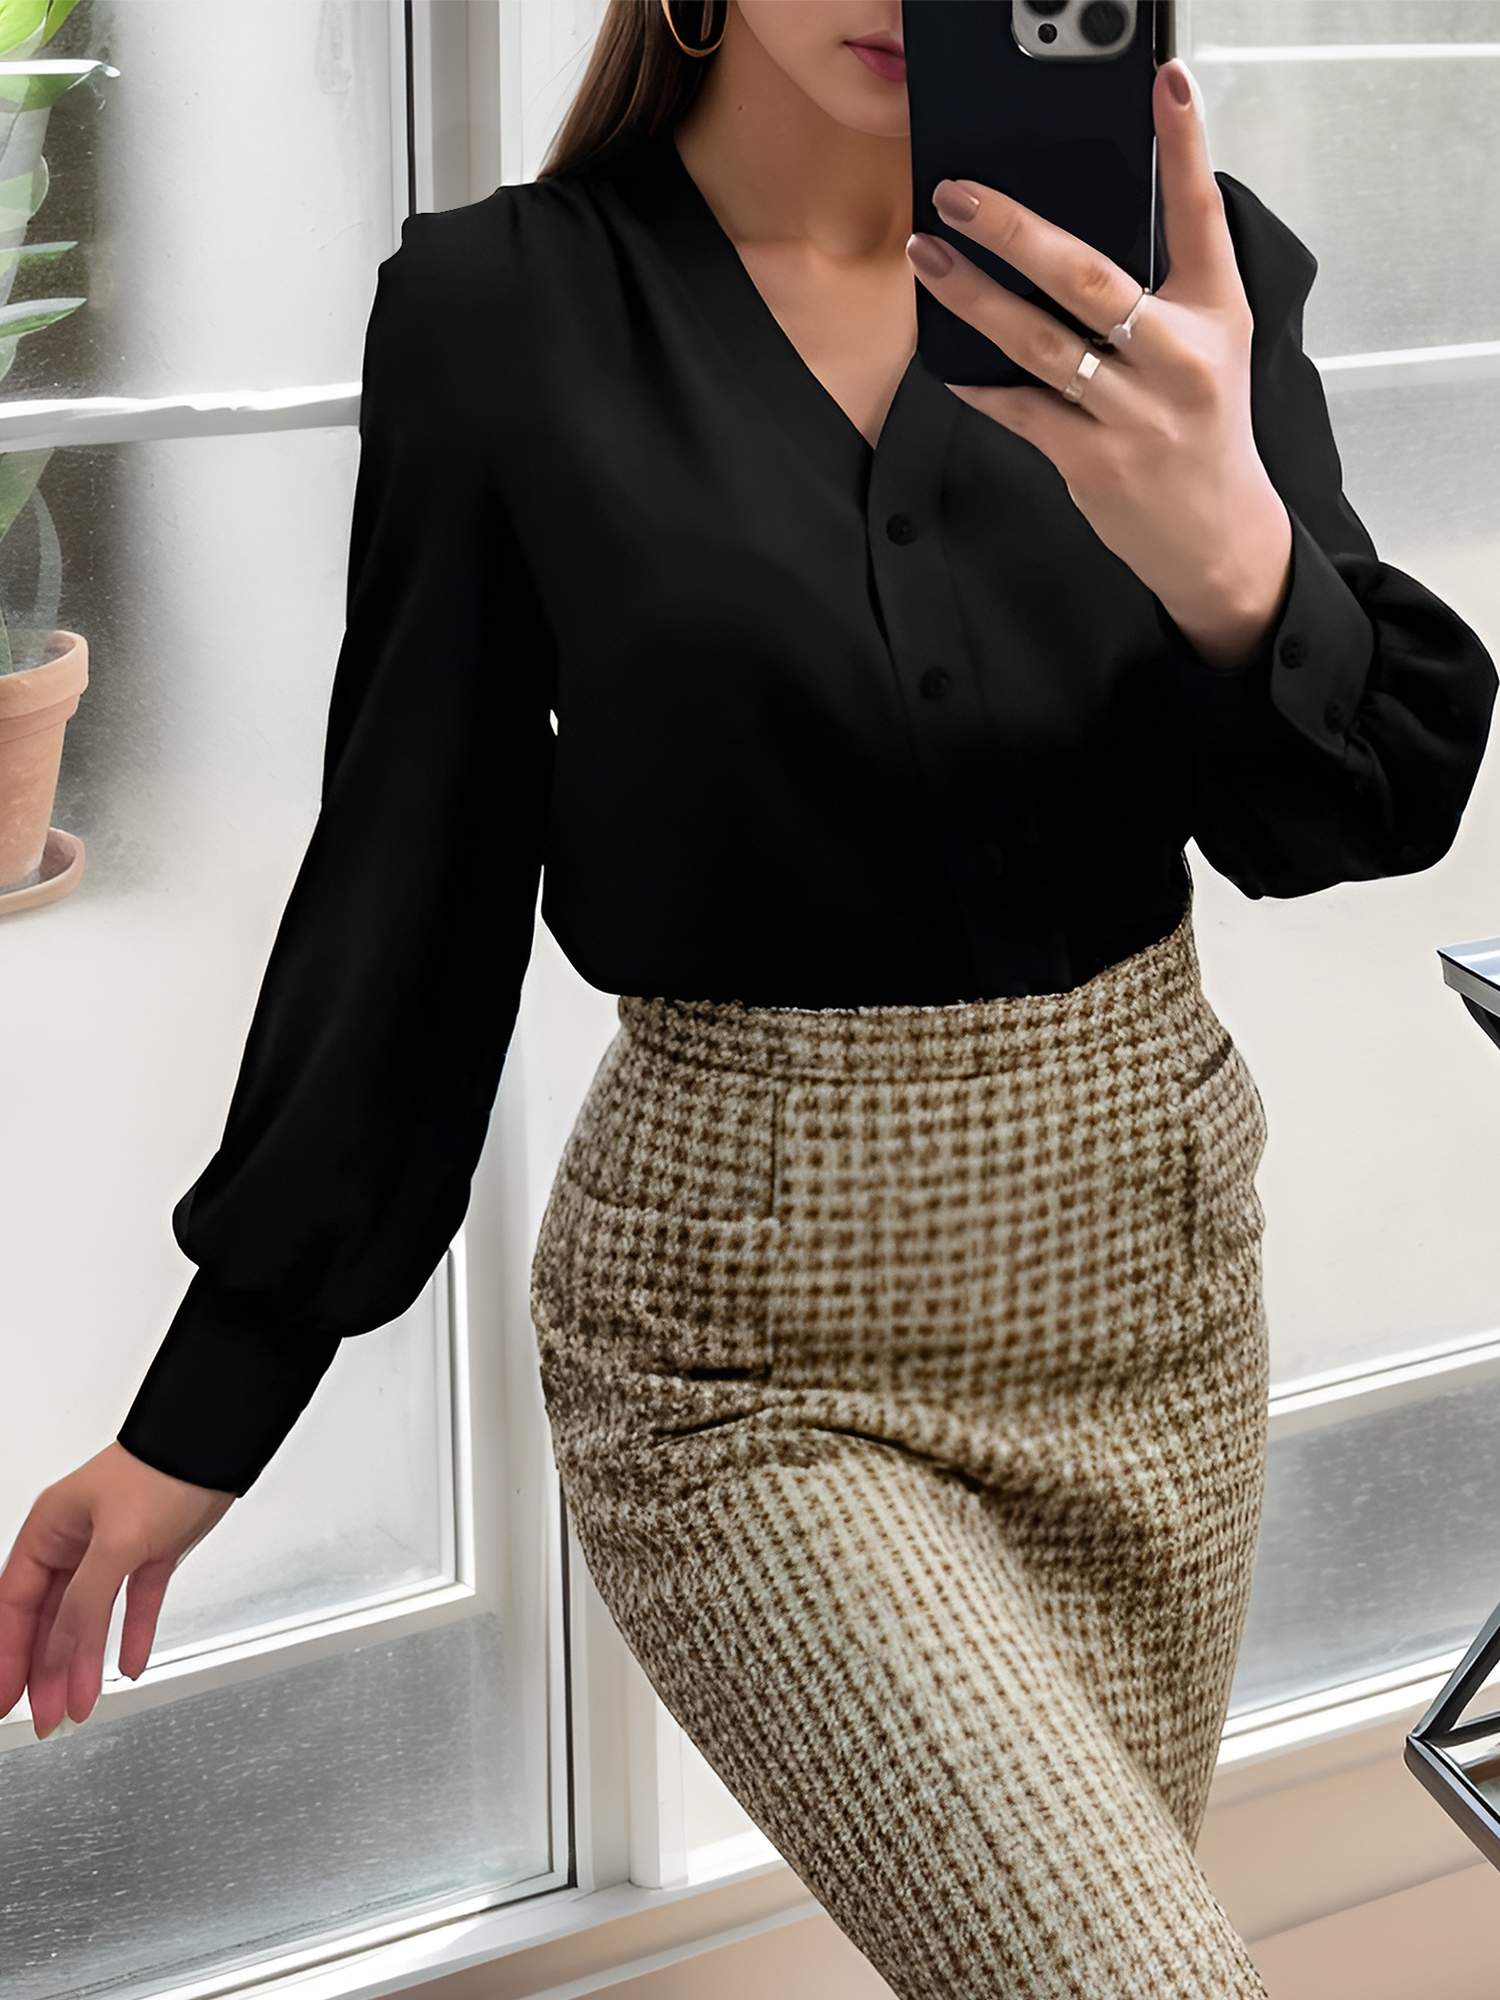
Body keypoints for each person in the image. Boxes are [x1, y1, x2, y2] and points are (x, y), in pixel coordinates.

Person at [5, 3, 1495, 1993]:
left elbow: (1345, 822)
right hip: (747, 1359)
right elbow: (418, 871)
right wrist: (215, 1398)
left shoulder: (1184, 279)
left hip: (1157, 1308)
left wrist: (1231, 549)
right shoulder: (502, 314)